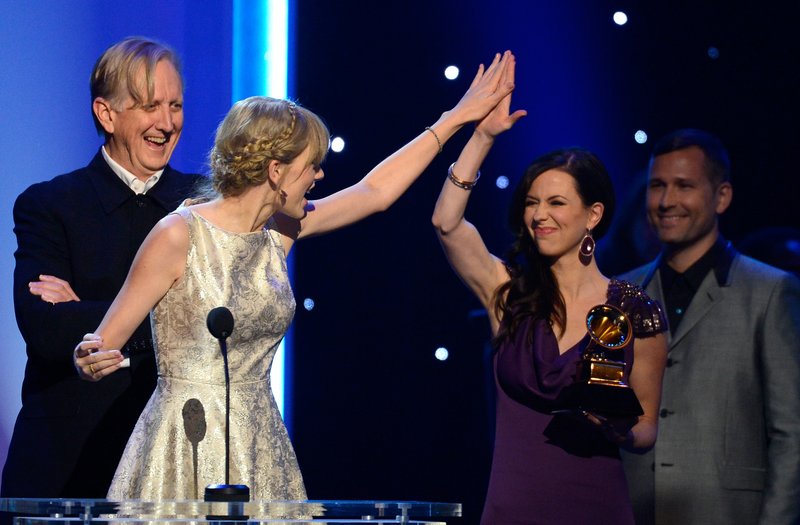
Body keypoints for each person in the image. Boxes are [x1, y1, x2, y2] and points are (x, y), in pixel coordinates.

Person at [71, 51, 519, 501]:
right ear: (276, 171)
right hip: (186, 439)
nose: (320, 175)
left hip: (260, 442)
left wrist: (461, 119)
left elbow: (375, 192)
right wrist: (91, 358)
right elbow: (101, 346)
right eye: (312, 166)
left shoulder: (278, 234)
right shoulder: (177, 235)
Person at [430, 73, 668, 523]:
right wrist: (482, 135)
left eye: (556, 203)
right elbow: (446, 223)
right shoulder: (509, 293)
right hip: (512, 508)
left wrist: (613, 425)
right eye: (531, 202)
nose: (539, 215)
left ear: (592, 214)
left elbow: (647, 429)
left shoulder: (635, 310)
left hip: (595, 506)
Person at [1, 37, 200, 498]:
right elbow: (45, 329)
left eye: (176, 105)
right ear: (106, 114)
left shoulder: (202, 204)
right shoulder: (48, 204)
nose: (168, 124)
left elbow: (213, 324)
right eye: (151, 105)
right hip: (69, 459)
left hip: (173, 455)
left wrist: (88, 311)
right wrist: (165, 311)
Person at [619, 129, 800, 525]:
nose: (667, 201)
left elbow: (793, 436)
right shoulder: (620, 294)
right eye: (657, 186)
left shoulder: (771, 292)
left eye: (684, 186)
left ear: (722, 196)